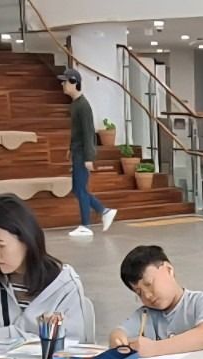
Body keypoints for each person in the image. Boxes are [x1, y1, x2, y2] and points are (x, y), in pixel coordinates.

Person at [0, 194, 95, 344]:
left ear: (26, 240)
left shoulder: (64, 284)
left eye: (1, 245)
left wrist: (2, 335)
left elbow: (73, 343)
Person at [110, 245, 203, 356]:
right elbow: (120, 332)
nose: (147, 295)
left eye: (149, 284)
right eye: (139, 292)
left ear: (169, 270)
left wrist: (155, 348)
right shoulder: (145, 314)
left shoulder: (202, 301)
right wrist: (117, 339)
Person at [59, 69, 117, 238]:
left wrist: (89, 157)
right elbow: (76, 132)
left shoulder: (83, 106)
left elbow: (88, 132)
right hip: (77, 152)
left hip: (82, 154)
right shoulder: (75, 105)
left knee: (80, 189)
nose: (63, 85)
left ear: (74, 82)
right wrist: (70, 148)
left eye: (65, 82)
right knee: (77, 189)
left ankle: (86, 224)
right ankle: (103, 211)